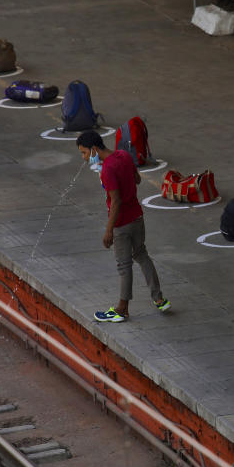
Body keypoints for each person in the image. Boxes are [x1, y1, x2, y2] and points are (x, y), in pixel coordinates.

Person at [76, 130, 170, 323]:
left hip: (121, 224)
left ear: (94, 149)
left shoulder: (107, 170)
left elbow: (115, 201)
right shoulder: (124, 155)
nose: (84, 158)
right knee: (141, 254)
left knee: (124, 265)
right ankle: (158, 298)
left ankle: (122, 309)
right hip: (137, 217)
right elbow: (137, 179)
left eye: (84, 153)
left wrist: (109, 230)